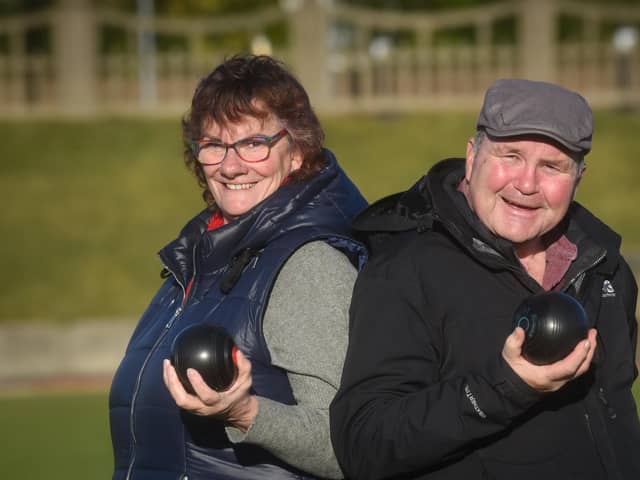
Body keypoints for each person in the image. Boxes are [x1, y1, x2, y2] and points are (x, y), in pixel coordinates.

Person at [330, 79, 640, 479]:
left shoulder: (604, 269)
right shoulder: (406, 269)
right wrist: (506, 386)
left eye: (552, 166)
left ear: (578, 177)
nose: (526, 184)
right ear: (472, 157)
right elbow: (364, 443)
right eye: (510, 156)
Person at [109, 54, 367, 480]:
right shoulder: (192, 263)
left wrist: (244, 413)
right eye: (213, 145)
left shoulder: (308, 266)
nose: (231, 166)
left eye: (253, 143)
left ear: (298, 151)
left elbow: (351, 445)